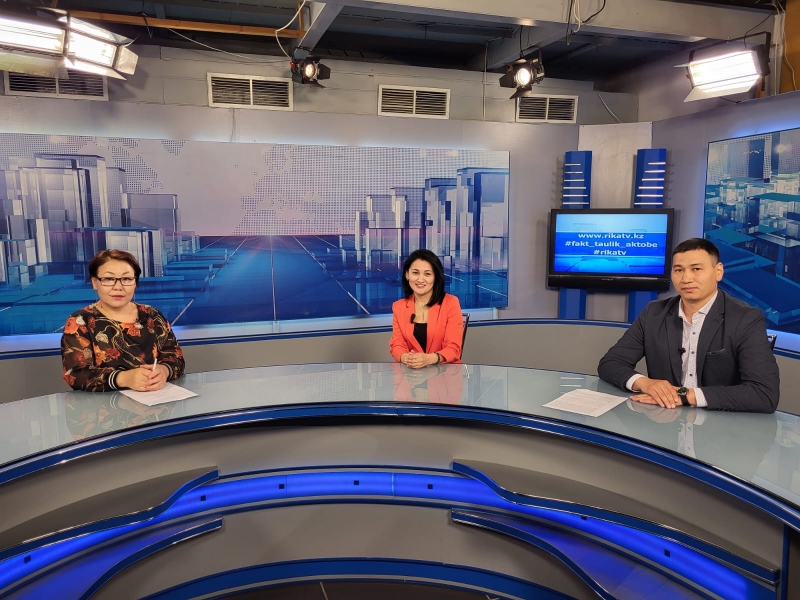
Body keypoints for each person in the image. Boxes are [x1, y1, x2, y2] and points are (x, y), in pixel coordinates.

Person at [598, 238, 779, 413]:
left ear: (718, 271)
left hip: (720, 424)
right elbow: (610, 363)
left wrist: (684, 396)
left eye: (696, 269)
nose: (686, 278)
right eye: (678, 270)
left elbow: (764, 393)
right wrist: (645, 383)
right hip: (663, 419)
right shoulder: (654, 313)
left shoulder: (746, 318)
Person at [61, 249, 186, 392]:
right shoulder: (80, 321)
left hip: (155, 401)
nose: (118, 287)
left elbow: (176, 358)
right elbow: (75, 374)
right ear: (95, 282)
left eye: (126, 279)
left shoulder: (152, 315)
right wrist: (124, 378)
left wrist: (164, 370)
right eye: (109, 279)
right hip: (103, 404)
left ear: (135, 282)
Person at [389, 249, 463, 367]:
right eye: (415, 273)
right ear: (407, 275)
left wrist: (429, 359)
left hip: (445, 373)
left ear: (435, 277)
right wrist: (406, 358)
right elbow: (397, 345)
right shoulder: (399, 307)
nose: (420, 279)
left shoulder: (451, 303)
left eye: (427, 274)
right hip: (412, 373)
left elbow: (453, 349)